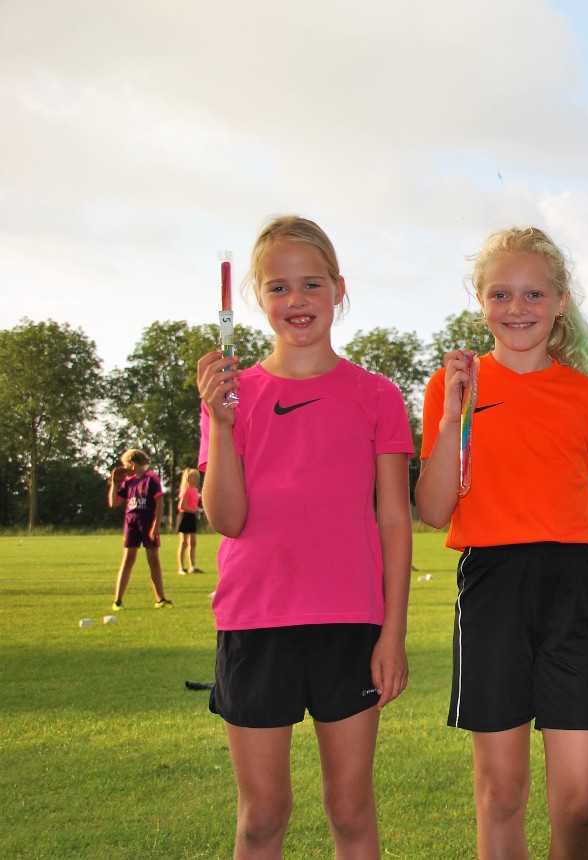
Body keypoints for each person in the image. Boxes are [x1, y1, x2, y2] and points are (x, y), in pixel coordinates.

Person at [196, 215, 413, 859]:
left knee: (350, 809)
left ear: (339, 289)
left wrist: (392, 633)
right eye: (279, 287)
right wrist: (219, 424)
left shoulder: (376, 395)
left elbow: (394, 520)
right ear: (256, 298)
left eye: (312, 283)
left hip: (350, 623)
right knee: (262, 816)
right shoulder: (232, 396)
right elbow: (227, 519)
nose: (297, 299)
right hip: (255, 621)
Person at [416, 226, 588, 860]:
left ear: (560, 301)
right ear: (481, 301)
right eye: (500, 293)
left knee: (580, 805)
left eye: (533, 293)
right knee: (502, 794)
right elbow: (432, 510)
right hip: (493, 589)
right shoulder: (452, 386)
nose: (517, 307)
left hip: (572, 589)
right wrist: (453, 416)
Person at [108, 448, 171, 610]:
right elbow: (113, 503)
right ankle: (118, 600)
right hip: (131, 523)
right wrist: (115, 484)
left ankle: (160, 598)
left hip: (148, 522)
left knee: (153, 559)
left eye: (125, 465)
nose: (124, 469)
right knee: (128, 559)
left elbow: (159, 503)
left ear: (132, 464)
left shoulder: (151, 479)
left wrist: (156, 525)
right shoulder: (129, 482)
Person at [176, 466, 203, 575]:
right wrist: (194, 510)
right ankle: (181, 567)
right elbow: (181, 506)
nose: (196, 479)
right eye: (194, 477)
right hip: (185, 516)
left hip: (192, 517)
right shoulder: (186, 490)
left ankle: (192, 566)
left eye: (197, 477)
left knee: (193, 542)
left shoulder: (196, 490)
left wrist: (197, 510)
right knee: (184, 543)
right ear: (189, 478)